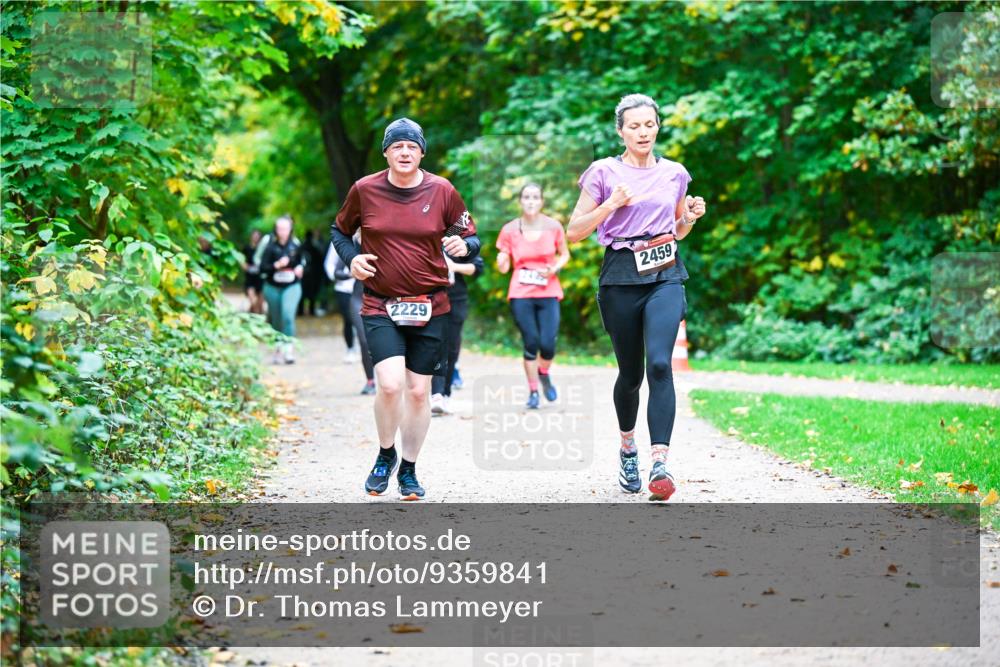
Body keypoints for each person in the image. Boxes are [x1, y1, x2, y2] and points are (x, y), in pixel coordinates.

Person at [566, 94, 706, 502]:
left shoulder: (675, 172)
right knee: (631, 375)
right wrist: (611, 204)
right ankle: (628, 446)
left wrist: (690, 218)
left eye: (649, 125)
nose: (643, 132)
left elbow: (678, 230)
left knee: (660, 363)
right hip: (621, 276)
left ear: (657, 126)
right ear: (620, 131)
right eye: (634, 126)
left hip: (665, 273)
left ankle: (660, 462)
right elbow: (574, 231)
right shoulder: (603, 172)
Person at [331, 118, 480, 500]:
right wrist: (352, 259)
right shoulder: (365, 190)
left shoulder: (442, 190)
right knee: (391, 384)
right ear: (386, 152)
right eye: (397, 146)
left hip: (431, 304)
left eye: (412, 146)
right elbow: (339, 231)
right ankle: (385, 455)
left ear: (421, 152)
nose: (404, 152)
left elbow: (470, 236)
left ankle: (409, 470)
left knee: (417, 392)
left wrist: (467, 248)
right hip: (381, 303)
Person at [496, 183, 570, 409]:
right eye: (526, 197)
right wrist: (501, 261)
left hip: (548, 289)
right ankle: (533, 391)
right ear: (520, 201)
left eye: (535, 197)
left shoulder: (553, 226)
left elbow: (564, 254)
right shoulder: (509, 229)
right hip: (521, 291)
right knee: (531, 341)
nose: (530, 201)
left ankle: (544, 372)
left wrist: (555, 268)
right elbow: (503, 264)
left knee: (548, 344)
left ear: (541, 201)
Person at [430, 253, 484, 415]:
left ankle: (445, 393)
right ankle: (436, 394)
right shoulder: (419, 232)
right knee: (435, 345)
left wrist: (453, 267)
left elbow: (477, 267)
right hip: (429, 297)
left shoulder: (458, 236)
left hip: (456, 298)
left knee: (451, 348)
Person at [259, 215, 305, 364]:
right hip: (272, 286)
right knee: (276, 318)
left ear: (290, 229)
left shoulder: (295, 245)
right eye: (279, 229)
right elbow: (262, 267)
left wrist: (299, 268)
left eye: (285, 228)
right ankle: (277, 349)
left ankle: (289, 349)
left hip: (291, 286)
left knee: (287, 315)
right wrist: (276, 265)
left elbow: (302, 263)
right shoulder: (270, 246)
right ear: (276, 230)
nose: (282, 231)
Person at [324, 240, 360, 364]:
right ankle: (350, 348)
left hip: (364, 289)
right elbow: (329, 265)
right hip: (344, 287)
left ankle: (367, 349)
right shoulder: (338, 241)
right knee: (348, 320)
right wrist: (340, 277)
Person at [299, 230, 325, 317]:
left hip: (303, 274)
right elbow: (320, 261)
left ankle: (300, 311)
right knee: (312, 293)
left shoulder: (301, 247)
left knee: (302, 293)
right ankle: (311, 310)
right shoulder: (314, 248)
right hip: (313, 275)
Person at [242, 229, 265, 314]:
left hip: (260, 278)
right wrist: (246, 267)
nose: (255, 238)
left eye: (257, 236)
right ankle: (253, 316)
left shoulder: (263, 249)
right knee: (253, 301)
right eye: (254, 236)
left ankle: (256, 318)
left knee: (260, 305)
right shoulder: (246, 248)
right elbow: (242, 261)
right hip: (250, 277)